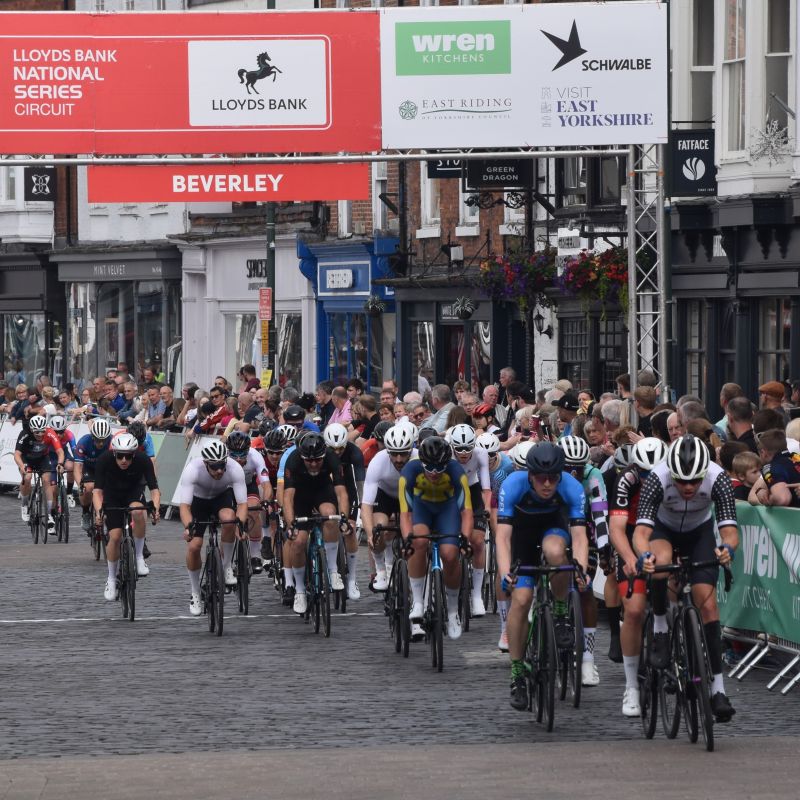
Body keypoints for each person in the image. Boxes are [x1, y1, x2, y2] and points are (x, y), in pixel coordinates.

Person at [633, 434, 738, 723]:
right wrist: (644, 556)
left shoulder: (718, 478)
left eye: (694, 481)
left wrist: (727, 549)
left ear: (704, 473)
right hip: (663, 529)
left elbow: (729, 529)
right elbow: (641, 533)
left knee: (709, 607)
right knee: (662, 563)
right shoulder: (657, 477)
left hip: (699, 532)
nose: (688, 487)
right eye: (681, 481)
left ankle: (718, 689)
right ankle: (660, 627)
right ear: (672, 473)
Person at [496, 442, 589, 711]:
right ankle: (517, 673)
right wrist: (505, 574)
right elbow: (502, 537)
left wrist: (581, 570)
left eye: (553, 479)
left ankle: (560, 612)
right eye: (540, 479)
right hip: (522, 537)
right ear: (529, 475)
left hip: (553, 529)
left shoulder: (571, 487)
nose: (547, 484)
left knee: (555, 551)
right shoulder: (513, 485)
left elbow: (580, 536)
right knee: (522, 599)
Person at [606, 437, 668, 716]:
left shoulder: (673, 476)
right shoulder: (627, 479)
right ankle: (631, 686)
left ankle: (673, 632)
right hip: (632, 535)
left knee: (677, 583)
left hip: (663, 532)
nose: (648, 479)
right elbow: (617, 528)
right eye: (644, 473)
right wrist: (630, 559)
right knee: (633, 610)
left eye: (653, 474)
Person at [399, 435, 473, 641]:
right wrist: (407, 539)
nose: (434, 473)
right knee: (419, 541)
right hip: (421, 509)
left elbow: (466, 511)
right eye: (429, 468)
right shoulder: (409, 471)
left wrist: (464, 539)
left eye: (439, 468)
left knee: (450, 555)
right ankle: (418, 602)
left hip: (446, 510)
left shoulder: (456, 472)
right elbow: (405, 513)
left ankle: (452, 612)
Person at [558, 435, 614, 688]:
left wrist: (604, 550)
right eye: (568, 468)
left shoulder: (592, 475)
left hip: (585, 529)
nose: (573, 473)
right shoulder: (550, 474)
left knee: (585, 588)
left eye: (577, 468)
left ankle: (589, 658)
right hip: (556, 527)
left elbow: (601, 515)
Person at [176, 440, 249, 616]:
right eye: (215, 467)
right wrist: (188, 527)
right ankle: (195, 592)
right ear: (206, 463)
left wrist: (240, 524)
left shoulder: (234, 469)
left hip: (220, 498)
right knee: (194, 545)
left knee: (230, 520)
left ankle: (226, 567)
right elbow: (184, 507)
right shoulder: (192, 470)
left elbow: (242, 504)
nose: (219, 471)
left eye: (222, 466)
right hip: (198, 502)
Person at [282, 432, 351, 614]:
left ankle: (333, 570)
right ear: (302, 457)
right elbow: (288, 497)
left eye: (317, 461)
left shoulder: (331, 458)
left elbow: (341, 493)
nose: (313, 464)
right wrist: (291, 524)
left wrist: (343, 517)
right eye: (309, 461)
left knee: (330, 515)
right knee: (298, 541)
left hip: (322, 490)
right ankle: (299, 591)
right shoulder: (293, 460)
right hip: (301, 496)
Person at [93, 433, 161, 601]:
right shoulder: (104, 460)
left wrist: (156, 509)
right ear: (114, 453)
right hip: (112, 495)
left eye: (128, 456)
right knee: (115, 536)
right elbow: (97, 492)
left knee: (138, 511)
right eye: (120, 456)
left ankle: (139, 557)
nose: (124, 460)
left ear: (134, 454)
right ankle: (111, 578)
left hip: (133, 492)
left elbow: (154, 489)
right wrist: (98, 511)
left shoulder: (143, 460)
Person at [362, 425, 417, 593]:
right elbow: (366, 505)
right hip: (385, 495)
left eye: (403, 454)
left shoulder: (418, 460)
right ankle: (381, 570)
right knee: (379, 531)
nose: (399, 459)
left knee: (417, 534)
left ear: (411, 450)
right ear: (388, 452)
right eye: (394, 454)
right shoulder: (378, 461)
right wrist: (370, 534)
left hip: (410, 495)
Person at [447, 423, 490, 618]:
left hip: (472, 490)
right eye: (459, 450)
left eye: (468, 449)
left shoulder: (481, 454)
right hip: (450, 490)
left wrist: (487, 509)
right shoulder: (446, 453)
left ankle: (476, 595)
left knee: (478, 541)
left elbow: (486, 487)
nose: (464, 454)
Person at [323, 422, 365, 600]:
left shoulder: (354, 453)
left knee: (350, 529)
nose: (337, 453)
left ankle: (352, 578)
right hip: (328, 488)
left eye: (341, 449)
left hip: (349, 487)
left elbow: (358, 485)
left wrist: (359, 510)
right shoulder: (321, 453)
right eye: (333, 449)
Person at [226, 431, 271, 575]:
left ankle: (255, 555)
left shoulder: (255, 456)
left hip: (247, 485)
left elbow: (266, 484)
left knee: (253, 509)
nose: (238, 459)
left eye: (242, 455)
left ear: (248, 451)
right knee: (228, 518)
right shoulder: (223, 457)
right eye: (234, 455)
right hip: (228, 488)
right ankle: (226, 562)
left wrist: (265, 501)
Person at [14, 414, 64, 532]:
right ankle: (25, 505)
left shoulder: (50, 432)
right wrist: (22, 466)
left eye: (42, 432)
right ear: (31, 430)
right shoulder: (24, 434)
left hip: (42, 459)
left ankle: (49, 515)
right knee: (27, 477)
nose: (40, 435)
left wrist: (60, 464)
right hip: (27, 459)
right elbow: (17, 454)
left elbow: (60, 451)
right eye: (37, 432)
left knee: (47, 480)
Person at [74, 417, 113, 532]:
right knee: (88, 487)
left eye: (103, 440)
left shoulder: (112, 442)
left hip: (105, 468)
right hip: (89, 468)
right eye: (97, 440)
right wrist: (80, 484)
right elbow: (77, 468)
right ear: (92, 436)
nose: (101, 443)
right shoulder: (84, 442)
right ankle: (86, 512)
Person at [751, 429, 800, 508]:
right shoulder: (797, 457)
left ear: (763, 453)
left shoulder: (771, 467)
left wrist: (767, 498)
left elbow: (783, 498)